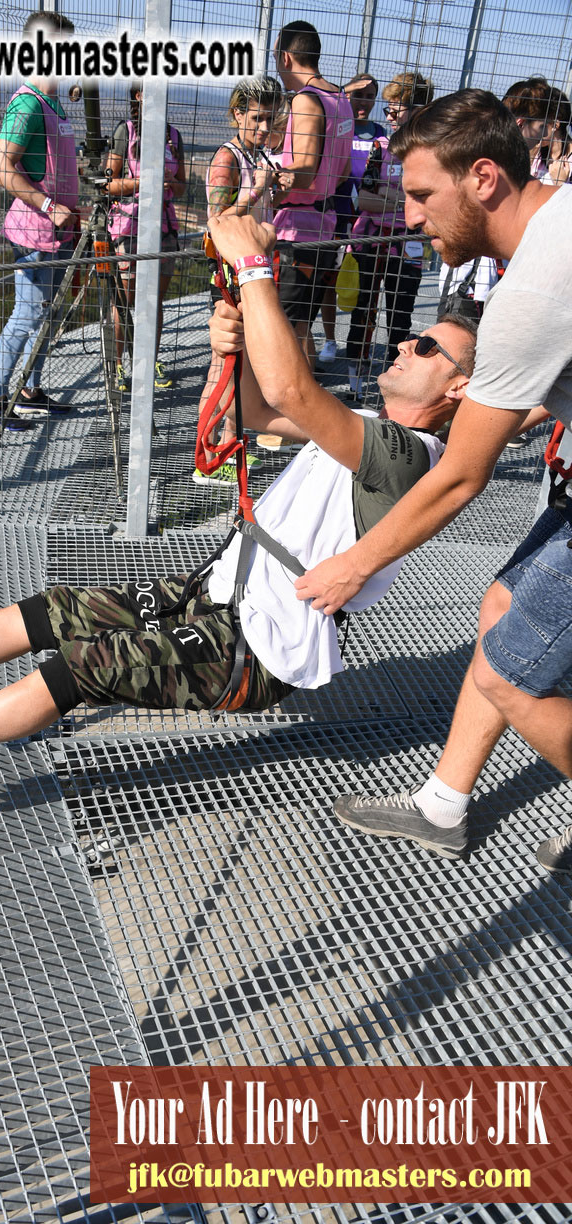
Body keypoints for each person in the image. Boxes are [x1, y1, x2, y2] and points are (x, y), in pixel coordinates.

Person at [0, 214, 478, 792]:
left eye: (427, 348)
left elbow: (294, 394)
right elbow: (261, 410)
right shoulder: (369, 430)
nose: (406, 345)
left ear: (453, 393)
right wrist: (223, 350)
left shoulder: (410, 459)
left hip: (255, 646)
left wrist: (255, 271)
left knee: (85, 664)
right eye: (416, 337)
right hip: (219, 596)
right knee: (56, 612)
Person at [289, 89, 571, 872]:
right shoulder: (560, 222)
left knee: (514, 676)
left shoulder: (533, 289)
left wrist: (354, 563)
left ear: (483, 178)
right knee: (504, 608)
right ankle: (444, 805)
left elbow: (459, 479)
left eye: (421, 195)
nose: (409, 217)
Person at [0, 9, 78, 431]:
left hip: (57, 231)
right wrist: (51, 205)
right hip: (38, 231)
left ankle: (31, 391)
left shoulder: (51, 102)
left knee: (47, 315)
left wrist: (71, 206)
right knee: (28, 314)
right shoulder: (27, 103)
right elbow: (1, 168)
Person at [193, 75, 287, 486]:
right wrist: (257, 192)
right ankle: (207, 452)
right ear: (237, 115)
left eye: (271, 120)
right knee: (223, 363)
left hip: (256, 268)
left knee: (244, 363)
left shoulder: (258, 156)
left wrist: (275, 190)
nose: (266, 129)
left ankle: (231, 443)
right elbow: (217, 221)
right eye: (258, 119)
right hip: (231, 273)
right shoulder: (226, 159)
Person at [271, 21, 354, 369]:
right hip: (326, 223)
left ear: (286, 58)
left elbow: (303, 169)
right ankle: (307, 401)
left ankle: (282, 409)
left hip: (295, 229)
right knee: (302, 324)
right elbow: (344, 171)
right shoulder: (340, 98)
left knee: (282, 327)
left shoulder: (306, 101)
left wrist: (268, 183)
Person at [345, 72, 434, 397]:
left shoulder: (431, 151)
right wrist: (401, 198)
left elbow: (427, 203)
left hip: (408, 245)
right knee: (362, 310)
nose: (389, 115)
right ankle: (355, 388)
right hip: (370, 240)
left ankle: (396, 386)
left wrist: (389, 196)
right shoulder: (380, 146)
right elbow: (363, 198)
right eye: (388, 108)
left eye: (397, 108)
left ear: (418, 109)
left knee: (400, 318)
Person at [105, 82, 186, 392]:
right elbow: (107, 186)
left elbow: (181, 186)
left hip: (163, 226)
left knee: (154, 300)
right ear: (137, 95)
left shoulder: (174, 136)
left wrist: (168, 182)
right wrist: (140, 182)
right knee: (124, 300)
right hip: (129, 227)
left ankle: (149, 360)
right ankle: (117, 364)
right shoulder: (125, 132)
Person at [317, 74, 384, 366]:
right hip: (337, 217)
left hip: (369, 224)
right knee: (329, 282)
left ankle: (359, 345)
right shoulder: (338, 128)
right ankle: (330, 340)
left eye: (370, 97)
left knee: (366, 285)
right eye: (358, 95)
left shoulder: (382, 135)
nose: (364, 102)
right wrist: (342, 94)